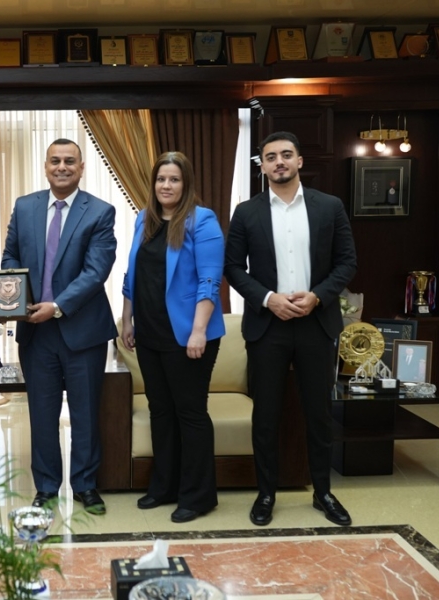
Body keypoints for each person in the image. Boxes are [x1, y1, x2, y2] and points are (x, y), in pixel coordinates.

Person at [225, 131, 358, 527]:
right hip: (268, 327)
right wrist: (268, 299)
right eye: (271, 157)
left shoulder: (329, 206)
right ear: (262, 166)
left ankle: (323, 493)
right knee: (266, 415)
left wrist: (318, 296)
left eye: (286, 155)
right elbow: (233, 267)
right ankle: (266, 493)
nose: (279, 161)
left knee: (319, 414)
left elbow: (347, 262)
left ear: (300, 161)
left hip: (316, 323)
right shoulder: (246, 212)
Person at [2, 138, 117, 515]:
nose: (62, 167)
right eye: (55, 161)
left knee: (85, 413)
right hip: (36, 332)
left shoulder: (100, 211)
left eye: (70, 161)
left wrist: (58, 306)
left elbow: (96, 272)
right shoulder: (25, 207)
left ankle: (85, 485)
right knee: (42, 414)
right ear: (46, 166)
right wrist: (15, 298)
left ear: (81, 168)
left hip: (83, 332)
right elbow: (10, 256)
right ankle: (46, 487)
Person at [119, 151, 225, 523]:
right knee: (160, 411)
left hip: (188, 336)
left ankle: (198, 497)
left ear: (186, 183)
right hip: (149, 334)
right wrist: (127, 319)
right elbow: (132, 275)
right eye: (161, 179)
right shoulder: (143, 219)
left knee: (190, 413)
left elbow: (210, 280)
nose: (166, 185)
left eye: (174, 179)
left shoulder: (202, 220)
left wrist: (198, 331)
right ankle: (164, 486)